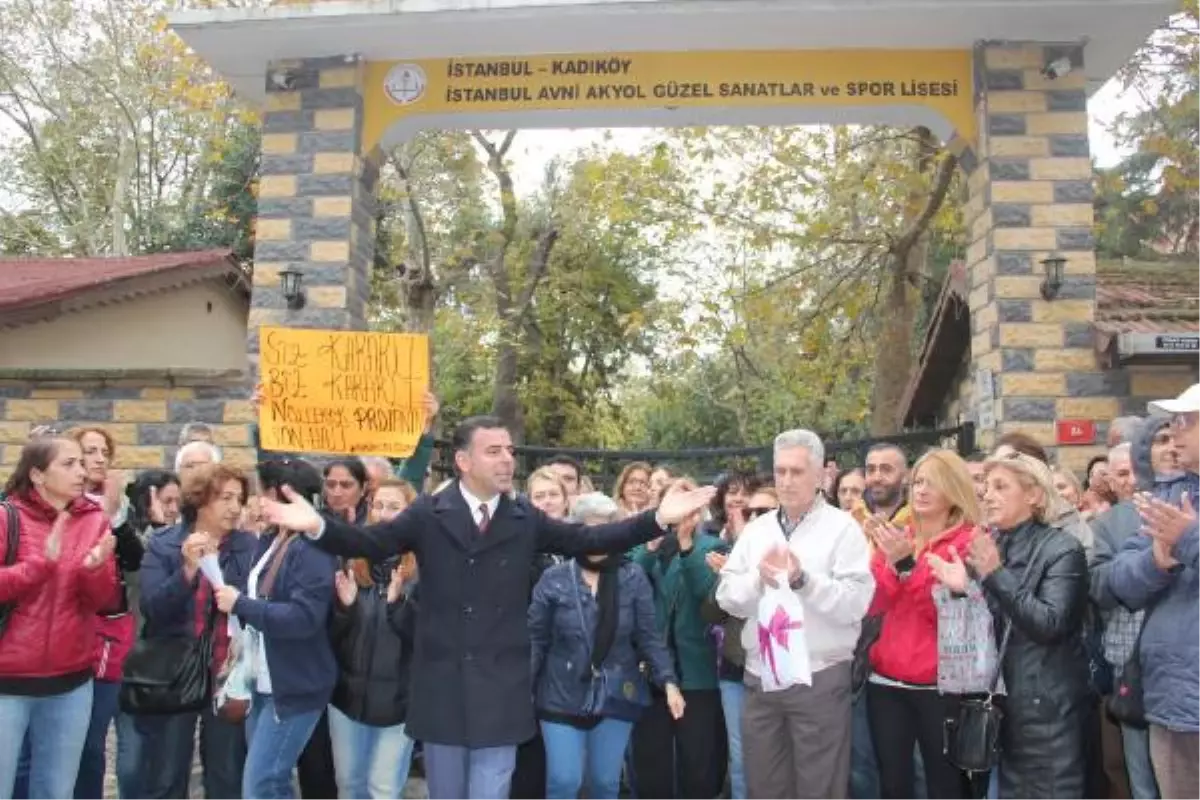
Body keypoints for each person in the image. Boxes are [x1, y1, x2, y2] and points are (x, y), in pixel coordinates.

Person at [256, 415, 715, 800]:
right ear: (463, 460)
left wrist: (657, 519)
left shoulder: (523, 517)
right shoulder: (430, 513)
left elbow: (590, 539)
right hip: (442, 688)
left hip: (501, 689)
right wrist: (318, 525)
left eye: (509, 450)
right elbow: (369, 541)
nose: (507, 459)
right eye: (494, 450)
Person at [716, 429, 875, 800]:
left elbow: (856, 603)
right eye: (780, 471)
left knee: (820, 789)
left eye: (797, 472)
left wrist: (804, 580)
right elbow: (726, 596)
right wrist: (758, 580)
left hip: (818, 678)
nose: (786, 481)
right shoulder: (757, 530)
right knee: (764, 787)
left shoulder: (843, 529)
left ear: (821, 476)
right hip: (761, 678)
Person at [928, 452, 1091, 798]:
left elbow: (1050, 624)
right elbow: (985, 627)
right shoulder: (992, 545)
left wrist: (995, 575)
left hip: (1047, 715)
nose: (987, 494)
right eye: (986, 487)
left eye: (1000, 486)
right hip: (998, 709)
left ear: (1034, 495)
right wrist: (963, 590)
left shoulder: (1064, 549)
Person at [529, 492, 684, 800]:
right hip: (560, 692)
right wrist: (521, 689)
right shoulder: (555, 578)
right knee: (564, 781)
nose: (598, 539)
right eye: (590, 530)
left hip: (616, 691)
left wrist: (668, 682)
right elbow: (535, 639)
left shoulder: (632, 576)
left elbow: (648, 636)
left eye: (605, 530)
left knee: (605, 783)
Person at [0, 436, 119, 800]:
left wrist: (94, 570)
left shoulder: (94, 519)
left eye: (80, 464)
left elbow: (102, 601)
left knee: (55, 791)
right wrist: (39, 566)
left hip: (70, 684)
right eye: (69, 464)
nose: (81, 472)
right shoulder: (7, 516)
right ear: (37, 474)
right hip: (7, 683)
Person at [216, 458, 339, 800]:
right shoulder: (274, 538)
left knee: (262, 784)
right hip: (265, 681)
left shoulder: (311, 547)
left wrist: (241, 604)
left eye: (261, 494)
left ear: (280, 494)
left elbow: (303, 618)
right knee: (271, 782)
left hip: (294, 685)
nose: (256, 502)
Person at [864, 450, 982, 800]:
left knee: (945, 786)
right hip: (885, 681)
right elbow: (875, 604)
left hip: (940, 687)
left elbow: (946, 615)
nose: (921, 490)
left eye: (933, 482)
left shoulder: (970, 540)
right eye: (917, 481)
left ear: (955, 487)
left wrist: (906, 567)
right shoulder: (901, 533)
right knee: (893, 785)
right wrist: (889, 561)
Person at [138, 463, 258, 799]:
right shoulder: (164, 544)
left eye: (239, 498)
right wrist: (187, 571)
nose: (235, 507)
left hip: (227, 673)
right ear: (200, 500)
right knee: (166, 774)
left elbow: (255, 608)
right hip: (176, 672)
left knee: (227, 774)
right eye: (225, 498)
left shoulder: (249, 546)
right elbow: (153, 610)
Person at [1108, 384, 1200, 798]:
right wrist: (1157, 562)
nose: (1176, 432)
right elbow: (1120, 580)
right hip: (1171, 701)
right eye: (1173, 421)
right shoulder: (1168, 495)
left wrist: (1189, 539)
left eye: (1188, 421)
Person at [629, 477, 726, 800]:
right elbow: (628, 584)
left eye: (690, 504)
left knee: (697, 762)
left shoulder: (712, 547)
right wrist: (651, 545)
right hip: (651, 672)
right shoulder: (645, 547)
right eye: (676, 504)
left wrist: (687, 548)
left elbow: (707, 596)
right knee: (650, 760)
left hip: (696, 672)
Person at [329, 478, 421, 800]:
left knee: (382, 789)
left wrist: (398, 605)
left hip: (400, 704)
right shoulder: (352, 561)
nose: (383, 514)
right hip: (348, 699)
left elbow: (425, 638)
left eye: (394, 507)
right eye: (379, 505)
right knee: (350, 785)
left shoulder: (425, 570)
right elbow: (333, 636)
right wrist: (345, 606)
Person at [67, 426, 146, 800]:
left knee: (110, 746)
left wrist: (115, 517)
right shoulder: (62, 508)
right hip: (73, 637)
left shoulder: (124, 507)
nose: (99, 459)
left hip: (117, 639)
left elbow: (137, 566)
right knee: (76, 744)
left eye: (104, 452)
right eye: (90, 451)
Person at [704, 484, 780, 800]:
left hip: (787, 672)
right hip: (737, 672)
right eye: (751, 512)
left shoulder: (801, 551)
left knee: (781, 758)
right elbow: (711, 613)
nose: (757, 518)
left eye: (765, 512)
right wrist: (728, 577)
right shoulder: (733, 552)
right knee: (742, 758)